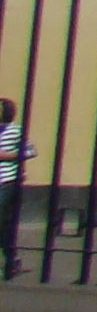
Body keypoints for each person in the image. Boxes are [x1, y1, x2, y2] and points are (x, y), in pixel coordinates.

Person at [0, 100, 26, 280]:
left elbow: (30, 151)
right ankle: (12, 259)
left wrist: (7, 156)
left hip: (7, 181)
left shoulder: (16, 131)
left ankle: (11, 260)